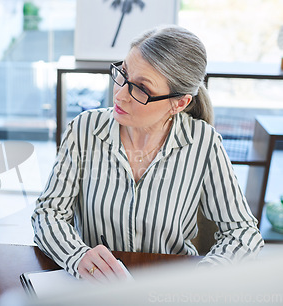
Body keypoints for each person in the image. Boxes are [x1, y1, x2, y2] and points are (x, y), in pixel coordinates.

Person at [32, 25, 264, 281]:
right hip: (93, 285)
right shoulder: (84, 130)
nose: (120, 95)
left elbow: (243, 231)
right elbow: (48, 212)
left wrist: (202, 279)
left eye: (141, 89)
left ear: (179, 103)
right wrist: (76, 256)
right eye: (122, 74)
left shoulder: (203, 143)